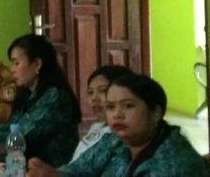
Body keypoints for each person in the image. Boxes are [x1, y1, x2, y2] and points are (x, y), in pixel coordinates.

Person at [29, 73, 208, 176]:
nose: (117, 115)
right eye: (110, 107)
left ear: (156, 112)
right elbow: (78, 170)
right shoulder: (115, 141)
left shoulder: (172, 163)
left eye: (128, 106)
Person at [0, 34, 80, 167]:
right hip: (22, 163)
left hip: (49, 170)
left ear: (37, 64)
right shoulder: (28, 93)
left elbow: (19, 137)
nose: (12, 70)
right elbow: (10, 127)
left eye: (17, 63)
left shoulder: (54, 98)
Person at [70, 65, 133, 162]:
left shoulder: (123, 135)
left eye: (103, 91)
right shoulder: (96, 127)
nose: (94, 98)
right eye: (90, 92)